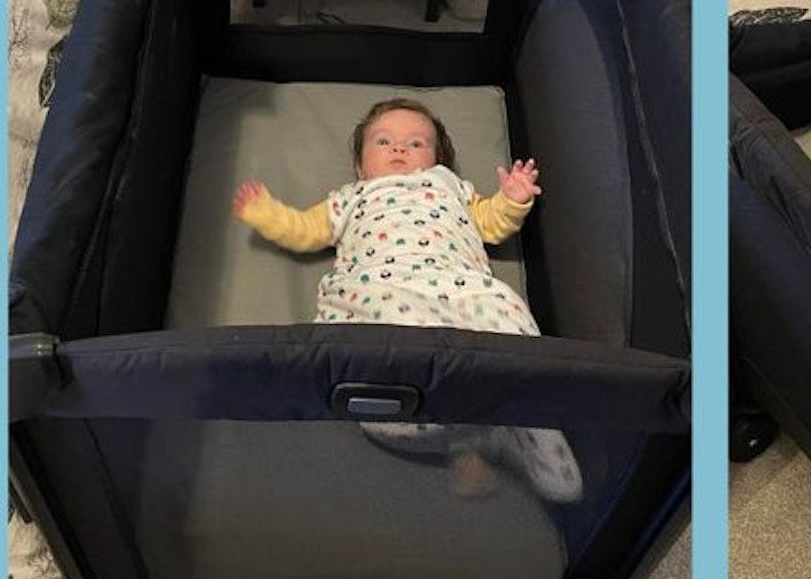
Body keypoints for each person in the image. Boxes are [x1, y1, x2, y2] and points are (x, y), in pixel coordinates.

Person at [233, 97, 582, 501]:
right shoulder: (350, 197)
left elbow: (491, 223)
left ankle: (504, 431)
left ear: (439, 161)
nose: (399, 149)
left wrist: (513, 199)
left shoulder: (451, 188)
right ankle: (478, 439)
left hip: (459, 286)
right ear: (361, 166)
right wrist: (265, 213)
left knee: (509, 324)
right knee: (366, 381)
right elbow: (304, 229)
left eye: (417, 143)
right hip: (379, 291)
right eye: (383, 141)